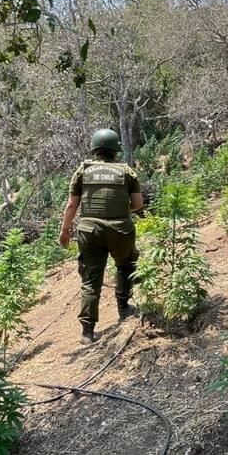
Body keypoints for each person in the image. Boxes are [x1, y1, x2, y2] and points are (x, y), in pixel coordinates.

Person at [60, 129, 144, 345]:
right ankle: (124, 308)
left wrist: (65, 230)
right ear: (116, 149)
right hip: (120, 229)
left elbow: (72, 205)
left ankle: (87, 331)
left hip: (89, 231)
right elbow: (138, 204)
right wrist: (118, 210)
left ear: (94, 149)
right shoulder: (126, 171)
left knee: (90, 278)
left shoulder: (83, 170)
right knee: (125, 265)